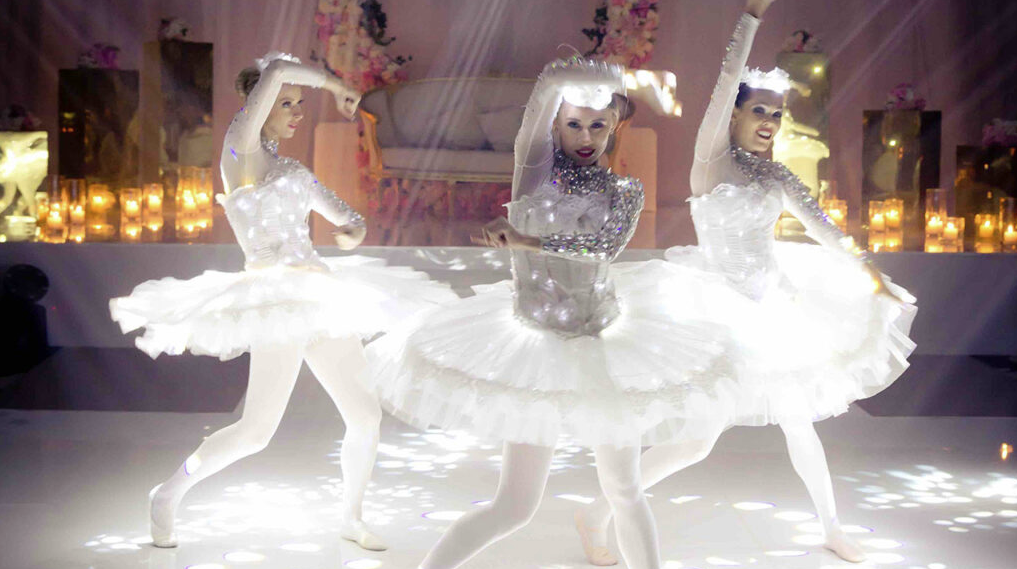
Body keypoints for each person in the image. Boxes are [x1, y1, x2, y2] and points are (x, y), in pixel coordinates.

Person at [574, 1, 917, 564]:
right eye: (759, 110)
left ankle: (832, 527)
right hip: (715, 309)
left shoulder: (777, 175)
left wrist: (871, 273)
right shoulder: (712, 162)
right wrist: (752, 16)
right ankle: (596, 512)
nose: (769, 122)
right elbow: (724, 80)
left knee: (799, 423)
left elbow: (826, 229)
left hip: (772, 306)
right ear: (733, 115)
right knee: (696, 443)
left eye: (776, 115)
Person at [110, 52, 455, 552]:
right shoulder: (239, 151)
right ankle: (168, 492)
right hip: (274, 299)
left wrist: (353, 232)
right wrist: (334, 85)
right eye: (287, 103)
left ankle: (351, 517)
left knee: (365, 415)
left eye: (299, 103)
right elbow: (274, 73)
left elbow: (347, 217)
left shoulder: (291, 168)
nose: (297, 112)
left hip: (320, 294)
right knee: (256, 432)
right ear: (261, 103)